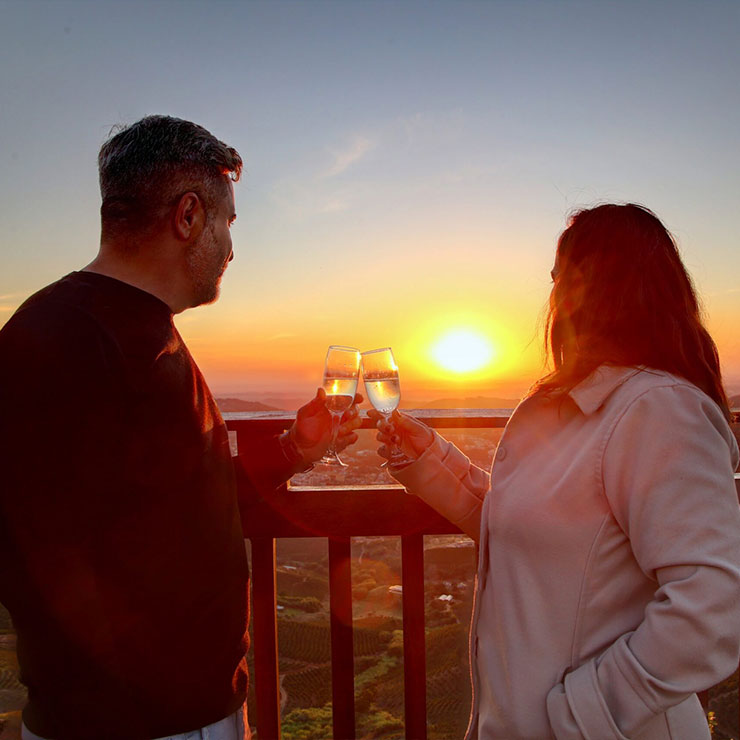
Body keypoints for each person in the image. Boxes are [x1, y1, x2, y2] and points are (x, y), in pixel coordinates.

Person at [0, 115, 361, 740]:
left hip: (172, 713)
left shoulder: (122, 331)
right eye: (227, 224)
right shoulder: (68, 341)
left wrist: (296, 449)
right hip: (136, 723)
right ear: (188, 216)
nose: (230, 248)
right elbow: (31, 549)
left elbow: (192, 501)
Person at [372, 203, 740, 739]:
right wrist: (429, 458)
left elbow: (715, 604)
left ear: (601, 287)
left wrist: (583, 714)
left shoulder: (658, 411)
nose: (553, 296)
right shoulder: (574, 406)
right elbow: (520, 531)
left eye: (561, 277)